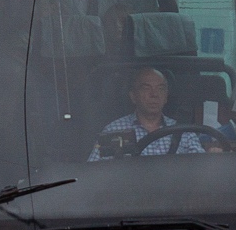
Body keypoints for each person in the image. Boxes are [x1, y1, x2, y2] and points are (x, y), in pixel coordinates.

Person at [88, 67, 220, 161]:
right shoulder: (113, 130)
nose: (154, 95)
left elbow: (199, 169)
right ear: (133, 96)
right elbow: (94, 174)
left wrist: (211, 158)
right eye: (146, 88)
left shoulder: (185, 132)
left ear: (166, 97)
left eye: (160, 89)